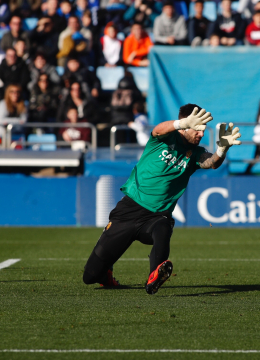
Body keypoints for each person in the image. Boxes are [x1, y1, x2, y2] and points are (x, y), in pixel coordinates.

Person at [82, 104, 241, 293]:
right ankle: (104, 273)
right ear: (185, 126)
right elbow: (157, 130)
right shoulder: (167, 137)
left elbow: (212, 163)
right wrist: (179, 123)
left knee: (163, 227)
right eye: (197, 130)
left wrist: (222, 150)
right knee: (90, 276)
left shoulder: (195, 152)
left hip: (156, 216)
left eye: (203, 131)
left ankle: (154, 276)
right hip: (129, 210)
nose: (201, 135)